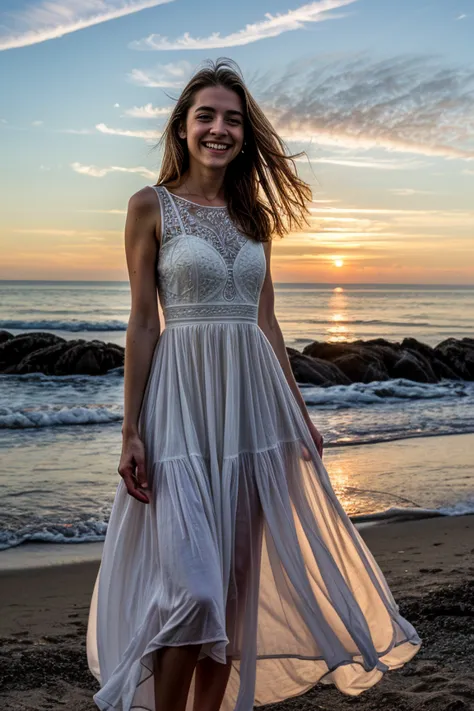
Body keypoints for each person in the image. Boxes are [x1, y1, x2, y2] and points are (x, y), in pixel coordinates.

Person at [86, 57, 421, 711]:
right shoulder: (149, 206)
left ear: (245, 133)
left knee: (234, 594)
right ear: (182, 128)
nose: (219, 128)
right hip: (180, 413)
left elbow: (267, 323)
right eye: (205, 116)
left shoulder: (255, 217)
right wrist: (130, 430)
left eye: (232, 119)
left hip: (254, 415)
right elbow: (141, 322)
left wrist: (300, 414)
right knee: (193, 593)